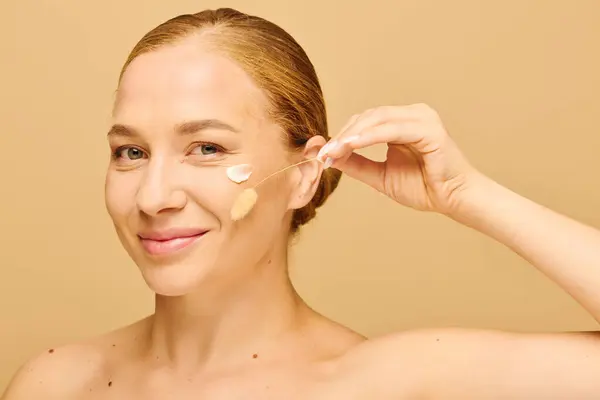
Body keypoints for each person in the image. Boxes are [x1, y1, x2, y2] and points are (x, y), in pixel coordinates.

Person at [3, 7, 600, 399]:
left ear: (305, 175)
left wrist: (467, 195)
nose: (154, 196)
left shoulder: (388, 384)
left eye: (206, 148)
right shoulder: (54, 384)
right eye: (130, 153)